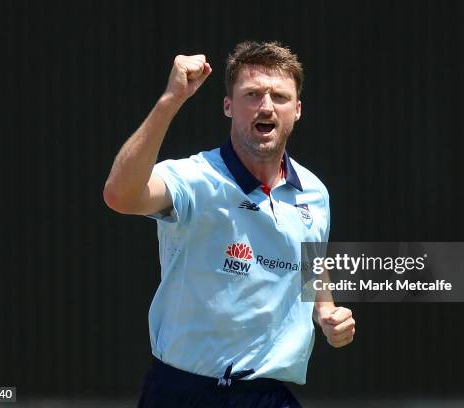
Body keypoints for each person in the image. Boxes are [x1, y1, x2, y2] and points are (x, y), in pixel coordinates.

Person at [103, 41, 356, 408]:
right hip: (182, 392)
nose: (266, 105)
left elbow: (310, 260)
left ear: (297, 110)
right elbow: (120, 196)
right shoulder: (193, 178)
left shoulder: (314, 192)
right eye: (252, 94)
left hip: (269, 396)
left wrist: (326, 310)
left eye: (280, 97)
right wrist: (170, 99)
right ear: (228, 106)